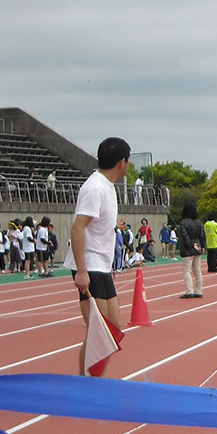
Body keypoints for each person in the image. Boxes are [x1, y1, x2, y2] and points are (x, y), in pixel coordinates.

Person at [63, 137, 131, 375]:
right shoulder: (95, 187)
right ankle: (86, 382)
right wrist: (81, 271)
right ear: (122, 162)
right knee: (98, 331)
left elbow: (94, 224)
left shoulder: (107, 186)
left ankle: (93, 379)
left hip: (101, 265)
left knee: (113, 328)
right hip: (89, 265)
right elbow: (77, 228)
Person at [178, 203, 205, 298]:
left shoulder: (183, 222)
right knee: (197, 270)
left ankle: (189, 290)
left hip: (188, 248)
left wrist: (189, 245)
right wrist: (202, 246)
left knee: (187, 270)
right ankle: (199, 290)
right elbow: (202, 235)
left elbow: (184, 236)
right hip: (197, 245)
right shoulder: (198, 222)